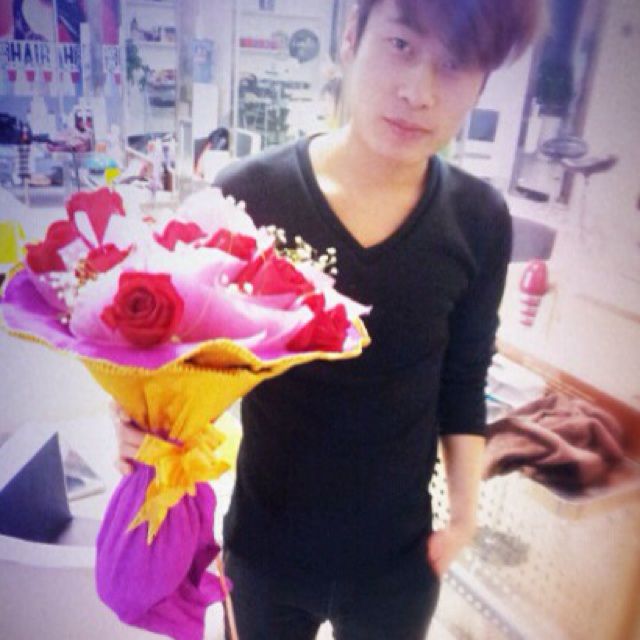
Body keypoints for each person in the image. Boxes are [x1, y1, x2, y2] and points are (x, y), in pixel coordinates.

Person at [115, 1, 543, 638]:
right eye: (401, 45)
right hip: (264, 549)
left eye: (455, 64)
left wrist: (464, 518)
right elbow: (183, 358)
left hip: (397, 563)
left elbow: (463, 381)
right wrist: (139, 420)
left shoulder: (479, 219)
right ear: (351, 38)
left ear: (483, 82)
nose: (419, 92)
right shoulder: (248, 196)